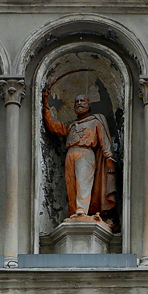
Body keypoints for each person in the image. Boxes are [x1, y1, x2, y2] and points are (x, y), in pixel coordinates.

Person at [42, 89, 116, 224]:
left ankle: (81, 211)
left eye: (82, 101)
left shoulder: (96, 120)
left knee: (83, 182)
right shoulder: (71, 126)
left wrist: (109, 158)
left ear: (89, 105)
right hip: (70, 153)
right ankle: (74, 212)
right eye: (77, 101)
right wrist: (45, 104)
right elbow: (53, 126)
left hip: (86, 153)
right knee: (71, 185)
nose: (79, 103)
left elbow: (104, 139)